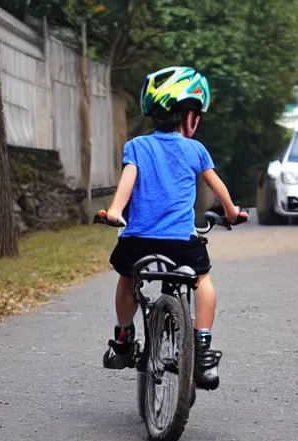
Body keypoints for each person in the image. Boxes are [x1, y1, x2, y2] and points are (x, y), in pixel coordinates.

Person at [102, 66, 248, 391]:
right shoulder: (196, 150)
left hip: (137, 240)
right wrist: (232, 212)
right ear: (188, 115)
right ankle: (204, 349)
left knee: (128, 277)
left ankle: (123, 337)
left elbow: (127, 182)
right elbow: (218, 187)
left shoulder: (137, 146)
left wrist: (114, 210)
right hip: (181, 241)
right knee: (203, 279)